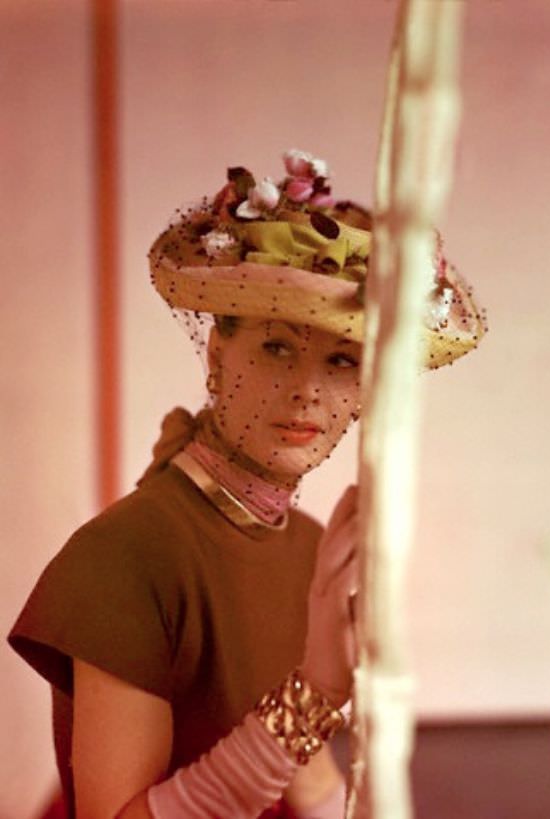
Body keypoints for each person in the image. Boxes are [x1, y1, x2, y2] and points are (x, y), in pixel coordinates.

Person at [8, 149, 485, 819]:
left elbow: (312, 791)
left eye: (341, 360)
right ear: (217, 353)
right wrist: (314, 696)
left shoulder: (312, 547)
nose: (307, 390)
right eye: (277, 347)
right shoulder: (127, 555)